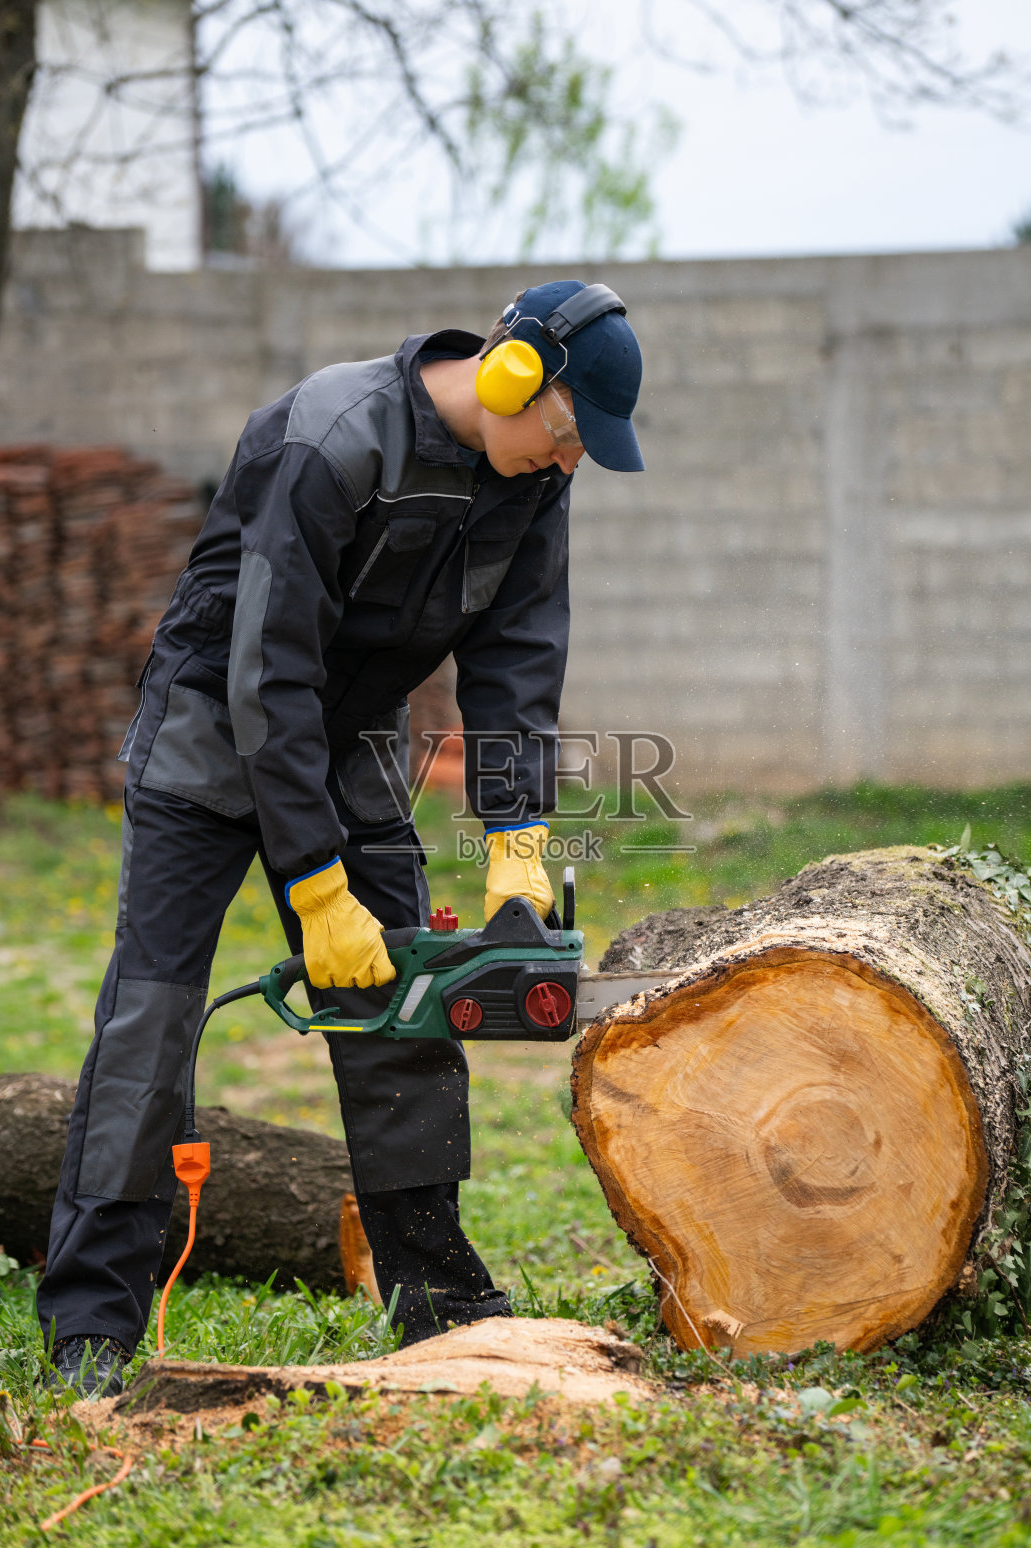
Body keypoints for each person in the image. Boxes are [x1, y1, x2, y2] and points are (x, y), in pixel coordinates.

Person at [38, 279, 644, 1396]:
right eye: (564, 437)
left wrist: (516, 847)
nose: (566, 466)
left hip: (358, 734)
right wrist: (317, 890)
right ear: (511, 376)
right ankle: (93, 1322)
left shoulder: (529, 490)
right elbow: (267, 673)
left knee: (400, 999)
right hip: (217, 728)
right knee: (153, 1013)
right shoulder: (330, 435)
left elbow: (516, 673)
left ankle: (436, 1299)